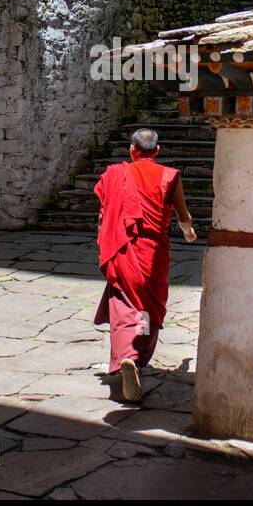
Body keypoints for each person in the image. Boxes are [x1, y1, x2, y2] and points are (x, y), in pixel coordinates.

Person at [93, 127, 197, 402]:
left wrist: (104, 239)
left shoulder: (114, 175)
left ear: (132, 150)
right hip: (152, 254)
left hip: (123, 249)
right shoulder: (169, 176)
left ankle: (126, 357)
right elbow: (182, 214)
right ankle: (136, 358)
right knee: (147, 307)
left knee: (123, 303)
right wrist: (188, 232)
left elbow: (105, 214)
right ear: (158, 151)